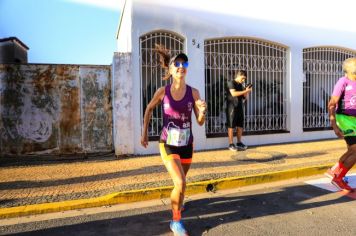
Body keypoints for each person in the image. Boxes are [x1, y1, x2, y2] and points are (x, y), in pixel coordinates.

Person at [141, 44, 207, 236]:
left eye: (183, 63)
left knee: (182, 183)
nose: (180, 66)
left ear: (186, 67)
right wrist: (144, 133)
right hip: (167, 143)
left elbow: (200, 122)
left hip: (187, 144)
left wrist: (202, 112)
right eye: (176, 63)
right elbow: (148, 109)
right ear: (170, 70)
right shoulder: (163, 92)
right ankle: (175, 221)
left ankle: (179, 200)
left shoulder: (194, 93)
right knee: (180, 182)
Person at [325, 57, 356, 192]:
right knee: (355, 150)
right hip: (344, 119)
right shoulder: (343, 81)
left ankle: (335, 171)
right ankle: (338, 178)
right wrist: (334, 125)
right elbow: (332, 104)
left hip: (354, 120)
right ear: (349, 70)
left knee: (352, 150)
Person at [225, 70, 252, 151]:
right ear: (239, 75)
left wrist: (247, 91)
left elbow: (244, 97)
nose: (243, 80)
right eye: (243, 78)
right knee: (231, 126)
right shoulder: (231, 83)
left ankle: (239, 143)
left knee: (240, 126)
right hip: (231, 108)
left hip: (240, 107)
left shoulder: (241, 85)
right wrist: (245, 91)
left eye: (244, 79)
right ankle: (231, 144)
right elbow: (234, 93)